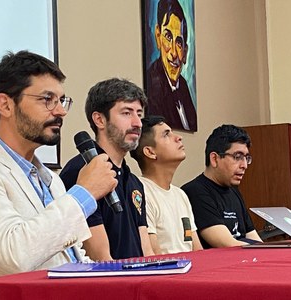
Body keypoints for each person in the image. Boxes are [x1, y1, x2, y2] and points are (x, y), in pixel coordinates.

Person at [0, 51, 117, 300]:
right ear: (5, 105)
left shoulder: (51, 180)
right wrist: (84, 194)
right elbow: (16, 254)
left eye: (62, 100)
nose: (61, 111)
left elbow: (72, 257)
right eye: (47, 99)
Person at [60, 78, 154, 261]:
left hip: (138, 281)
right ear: (100, 120)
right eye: (127, 113)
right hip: (107, 284)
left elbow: (146, 251)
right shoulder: (82, 171)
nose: (138, 123)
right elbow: (100, 258)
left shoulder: (134, 181)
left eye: (139, 114)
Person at [181, 124, 262, 249]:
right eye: (238, 157)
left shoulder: (233, 191)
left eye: (246, 158)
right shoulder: (195, 192)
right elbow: (228, 245)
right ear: (214, 159)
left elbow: (254, 237)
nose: (244, 165)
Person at [130, 115, 202, 254]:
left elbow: (196, 249)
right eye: (166, 135)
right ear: (150, 152)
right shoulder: (141, 192)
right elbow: (153, 255)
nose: (178, 138)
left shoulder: (180, 194)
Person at [146, 0, 197, 132]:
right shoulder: (153, 84)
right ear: (158, 36)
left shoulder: (183, 86)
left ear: (185, 52)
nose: (174, 53)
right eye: (168, 37)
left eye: (179, 43)